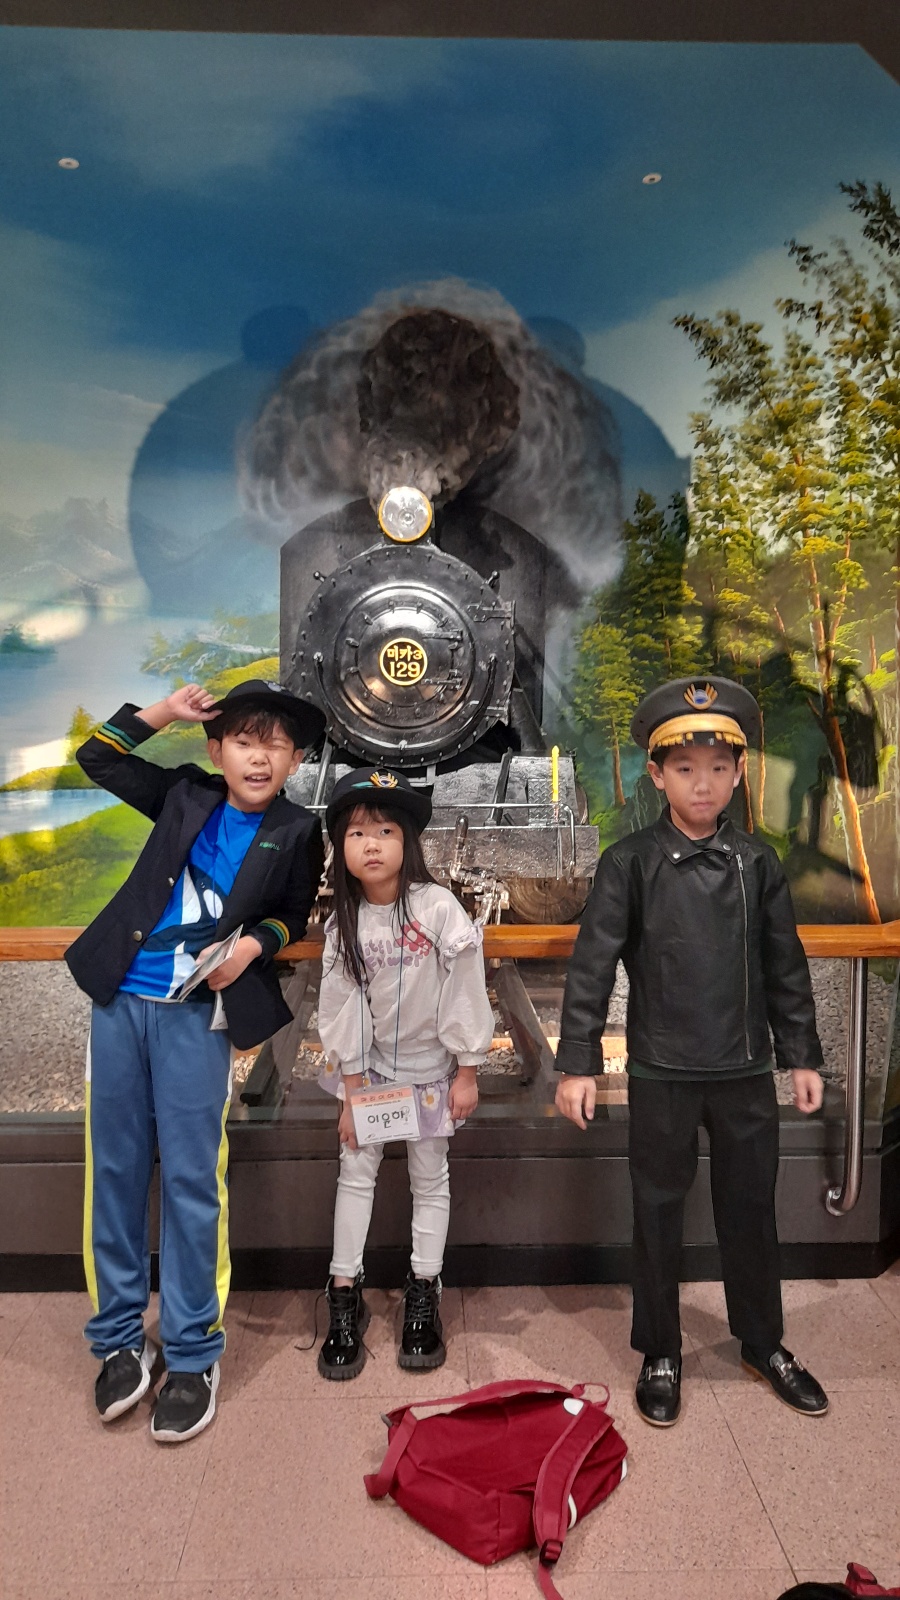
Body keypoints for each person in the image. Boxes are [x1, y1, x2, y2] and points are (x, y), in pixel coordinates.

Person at [554, 677, 829, 1426]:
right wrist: (577, 1062)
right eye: (684, 768)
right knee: (656, 1213)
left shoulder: (758, 862)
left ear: (738, 774)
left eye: (716, 768)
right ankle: (660, 1350)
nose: (701, 783)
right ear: (656, 775)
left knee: (751, 1210)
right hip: (661, 1071)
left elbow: (785, 966)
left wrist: (802, 1056)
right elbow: (592, 965)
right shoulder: (630, 862)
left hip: (745, 1071)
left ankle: (763, 1342)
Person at [65, 678, 325, 1441]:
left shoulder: (297, 829)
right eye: (244, 741)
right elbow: (98, 757)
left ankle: (191, 1352)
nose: (259, 757)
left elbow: (292, 914)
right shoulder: (184, 795)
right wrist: (165, 713)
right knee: (113, 1171)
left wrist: (253, 947)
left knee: (191, 1179)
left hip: (195, 1016)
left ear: (295, 760)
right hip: (118, 1000)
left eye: (276, 745)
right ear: (216, 751)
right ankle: (118, 1340)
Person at [315, 767, 494, 1380]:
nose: (372, 845)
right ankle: (344, 1291)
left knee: (430, 1177)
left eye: (386, 831)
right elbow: (339, 1006)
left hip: (432, 1073)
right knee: (354, 1175)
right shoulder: (342, 922)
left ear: (408, 841)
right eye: (357, 833)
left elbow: (466, 987)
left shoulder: (438, 909)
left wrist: (467, 1071)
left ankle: (424, 1289)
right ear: (340, 846)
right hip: (369, 1077)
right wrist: (350, 1091)